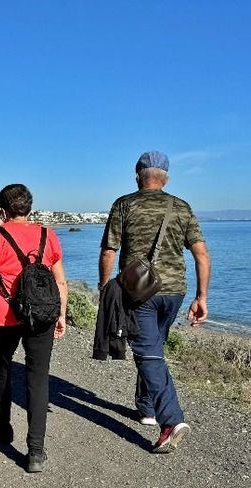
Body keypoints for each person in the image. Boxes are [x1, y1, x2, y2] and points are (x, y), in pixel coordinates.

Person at [99, 151, 210, 453]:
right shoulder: (182, 207)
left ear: (138, 175)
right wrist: (202, 297)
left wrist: (104, 286)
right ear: (166, 177)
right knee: (154, 346)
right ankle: (146, 408)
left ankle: (170, 420)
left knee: (148, 353)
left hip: (139, 292)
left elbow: (109, 250)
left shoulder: (124, 204)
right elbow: (201, 254)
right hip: (175, 292)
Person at [0, 183, 67, 473]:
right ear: (29, 207)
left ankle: (3, 424)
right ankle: (35, 450)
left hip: (4, 313)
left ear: (2, 210)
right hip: (42, 313)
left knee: (1, 368)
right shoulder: (48, 235)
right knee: (38, 378)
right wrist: (61, 314)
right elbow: (60, 281)